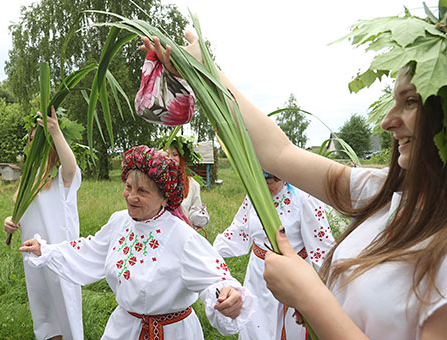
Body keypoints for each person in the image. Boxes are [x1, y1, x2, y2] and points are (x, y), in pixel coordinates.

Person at [139, 32, 447, 339]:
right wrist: (204, 70)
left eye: (410, 102)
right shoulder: (382, 192)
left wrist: (310, 297)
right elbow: (279, 153)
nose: (387, 121)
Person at [19, 145, 253, 340]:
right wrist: (46, 250)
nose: (131, 196)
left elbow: (217, 278)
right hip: (124, 329)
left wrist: (228, 294)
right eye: (129, 187)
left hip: (172, 332)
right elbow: (91, 250)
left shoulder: (182, 236)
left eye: (142, 191)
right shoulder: (120, 221)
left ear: (165, 197)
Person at [213, 171, 334, 339]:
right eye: (263, 179)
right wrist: (208, 252)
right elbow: (238, 231)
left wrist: (331, 290)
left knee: (291, 330)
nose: (268, 184)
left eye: (273, 179)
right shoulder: (254, 196)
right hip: (257, 277)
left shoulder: (304, 199)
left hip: (292, 278)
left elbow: (323, 248)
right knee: (256, 329)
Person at [4, 106, 83, 340]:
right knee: (43, 310)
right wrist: (9, 221)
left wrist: (56, 132)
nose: (32, 144)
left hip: (59, 254)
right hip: (33, 257)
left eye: (38, 139)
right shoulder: (29, 179)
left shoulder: (61, 177)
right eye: (30, 139)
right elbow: (20, 215)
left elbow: (72, 167)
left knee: (64, 306)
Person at [165, 138, 209, 229]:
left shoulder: (193, 185)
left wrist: (198, 219)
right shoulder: (156, 183)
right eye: (166, 154)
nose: (170, 158)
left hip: (182, 234)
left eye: (175, 154)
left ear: (182, 158)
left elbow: (195, 211)